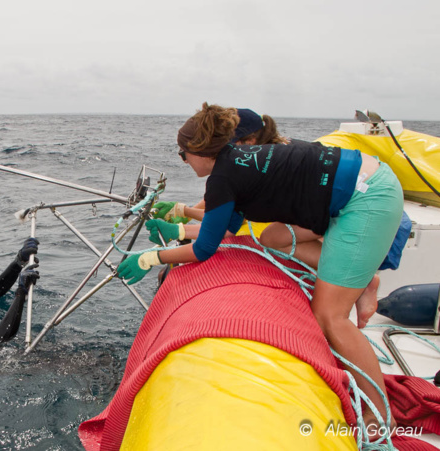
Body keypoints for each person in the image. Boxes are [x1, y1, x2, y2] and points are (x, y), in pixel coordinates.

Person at [117, 102, 403, 433]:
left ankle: (381, 414)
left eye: (183, 154)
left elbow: (206, 249)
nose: (182, 161)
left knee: (328, 316)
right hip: (352, 188)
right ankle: (360, 276)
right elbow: (223, 229)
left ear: (199, 151)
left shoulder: (223, 178)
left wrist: (150, 257)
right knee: (272, 237)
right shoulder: (236, 162)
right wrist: (177, 230)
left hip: (366, 197)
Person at [152, 108, 291, 223]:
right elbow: (221, 200)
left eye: (224, 146)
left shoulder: (261, 171)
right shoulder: (263, 157)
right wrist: (186, 215)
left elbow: (231, 221)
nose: (218, 151)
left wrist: (184, 214)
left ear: (250, 142)